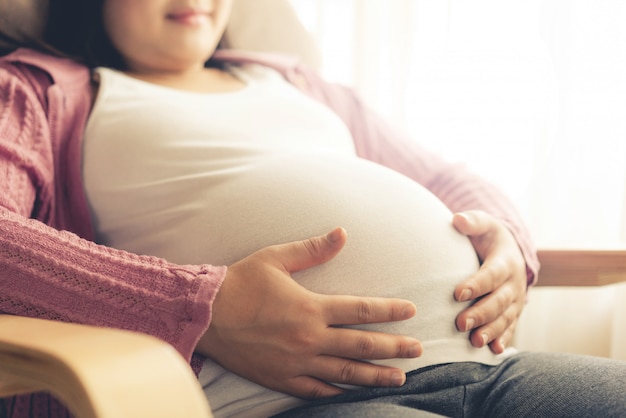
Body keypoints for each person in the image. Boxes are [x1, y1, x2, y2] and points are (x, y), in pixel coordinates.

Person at [0, 1, 623, 417]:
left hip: (490, 368)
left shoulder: (295, 83)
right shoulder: (41, 91)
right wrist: (199, 307)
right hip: (295, 404)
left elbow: (447, 177)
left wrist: (508, 242)